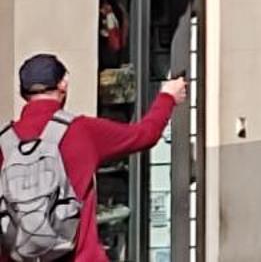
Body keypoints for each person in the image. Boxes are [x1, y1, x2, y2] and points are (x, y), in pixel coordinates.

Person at [0, 54, 186, 262]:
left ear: (23, 93)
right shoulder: (81, 131)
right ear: (63, 84)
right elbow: (144, 135)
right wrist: (167, 97)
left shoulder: (4, 142)